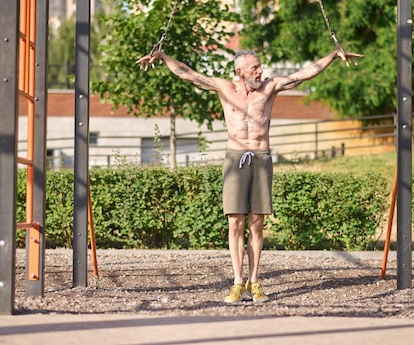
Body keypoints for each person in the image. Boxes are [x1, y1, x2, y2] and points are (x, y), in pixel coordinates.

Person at [137, 46, 362, 303]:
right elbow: (189, 74)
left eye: (260, 66)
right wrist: (164, 56)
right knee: (235, 222)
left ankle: (254, 282)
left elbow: (306, 73)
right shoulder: (224, 88)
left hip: (261, 158)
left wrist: (333, 55)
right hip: (235, 159)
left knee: (257, 223)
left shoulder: (269, 88)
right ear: (239, 71)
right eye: (255, 67)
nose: (260, 70)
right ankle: (237, 282)